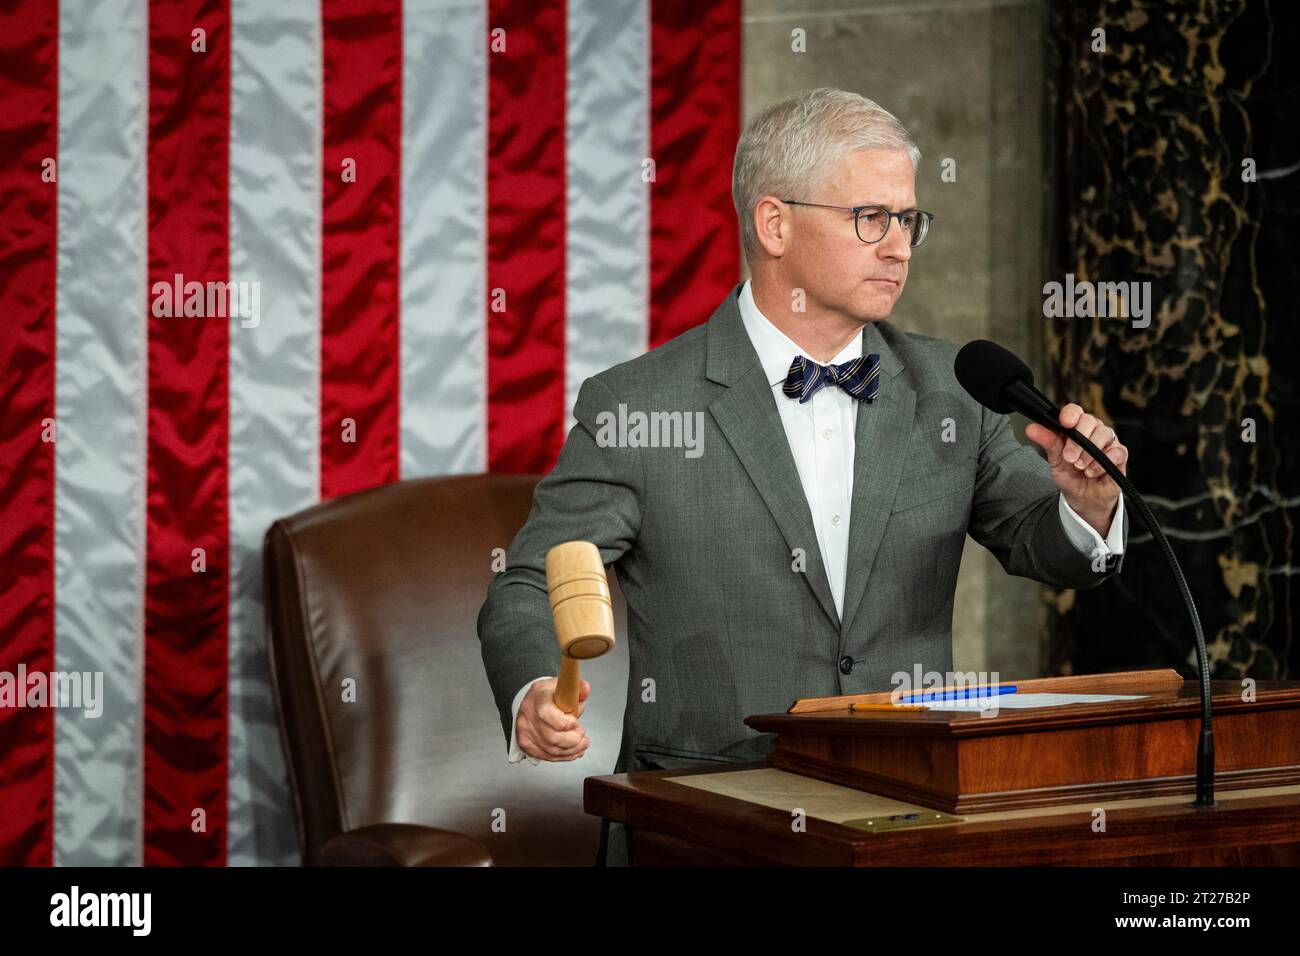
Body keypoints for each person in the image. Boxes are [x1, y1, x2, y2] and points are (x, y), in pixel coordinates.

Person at [477, 87, 1129, 866]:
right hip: (704, 822)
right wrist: (530, 693)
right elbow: (524, 580)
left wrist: (1088, 505)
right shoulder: (639, 403)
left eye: (908, 220)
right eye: (871, 218)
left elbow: (1044, 547)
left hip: (910, 815)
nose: (899, 247)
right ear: (774, 222)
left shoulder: (957, 387)